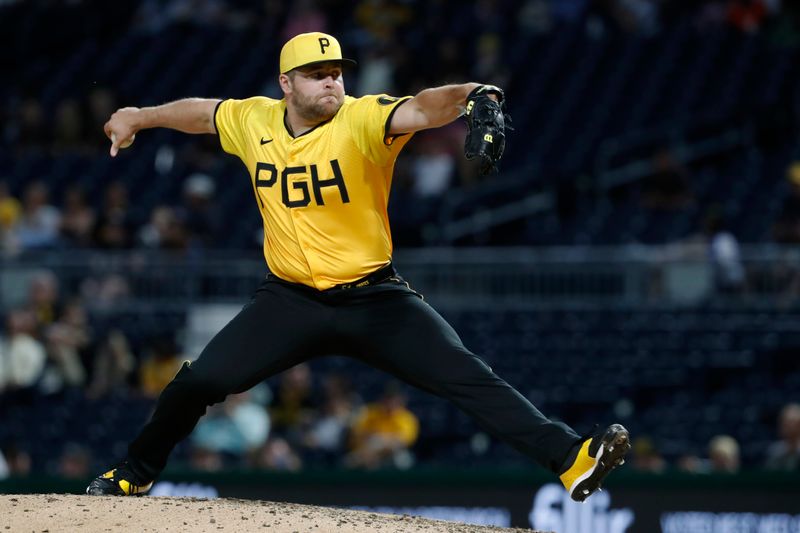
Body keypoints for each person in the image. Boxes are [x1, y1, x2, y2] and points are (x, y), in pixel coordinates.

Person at [86, 32, 629, 501]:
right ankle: (133, 474)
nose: (331, 82)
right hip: (289, 299)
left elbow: (422, 106)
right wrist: (141, 116)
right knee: (197, 381)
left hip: (374, 298)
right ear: (287, 84)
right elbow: (204, 113)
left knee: (467, 375)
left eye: (337, 73)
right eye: (316, 74)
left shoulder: (363, 119)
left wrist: (475, 96)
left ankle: (571, 460)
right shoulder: (254, 120)